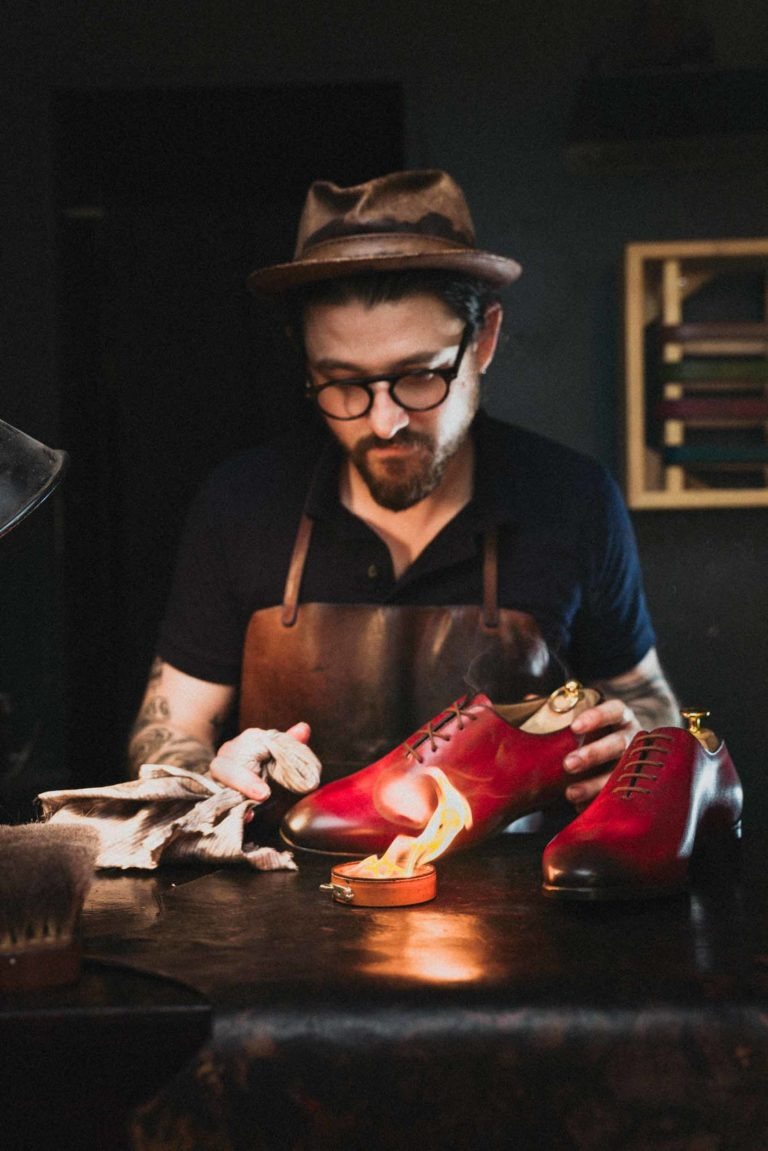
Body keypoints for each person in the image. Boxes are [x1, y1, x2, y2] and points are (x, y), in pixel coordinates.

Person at [128, 169, 679, 824]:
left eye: (420, 377)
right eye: (342, 383)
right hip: (282, 913)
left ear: (484, 342)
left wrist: (637, 748)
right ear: (307, 364)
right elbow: (167, 732)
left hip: (523, 912)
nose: (384, 421)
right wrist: (206, 776)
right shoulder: (240, 503)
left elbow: (650, 707)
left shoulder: (573, 499)